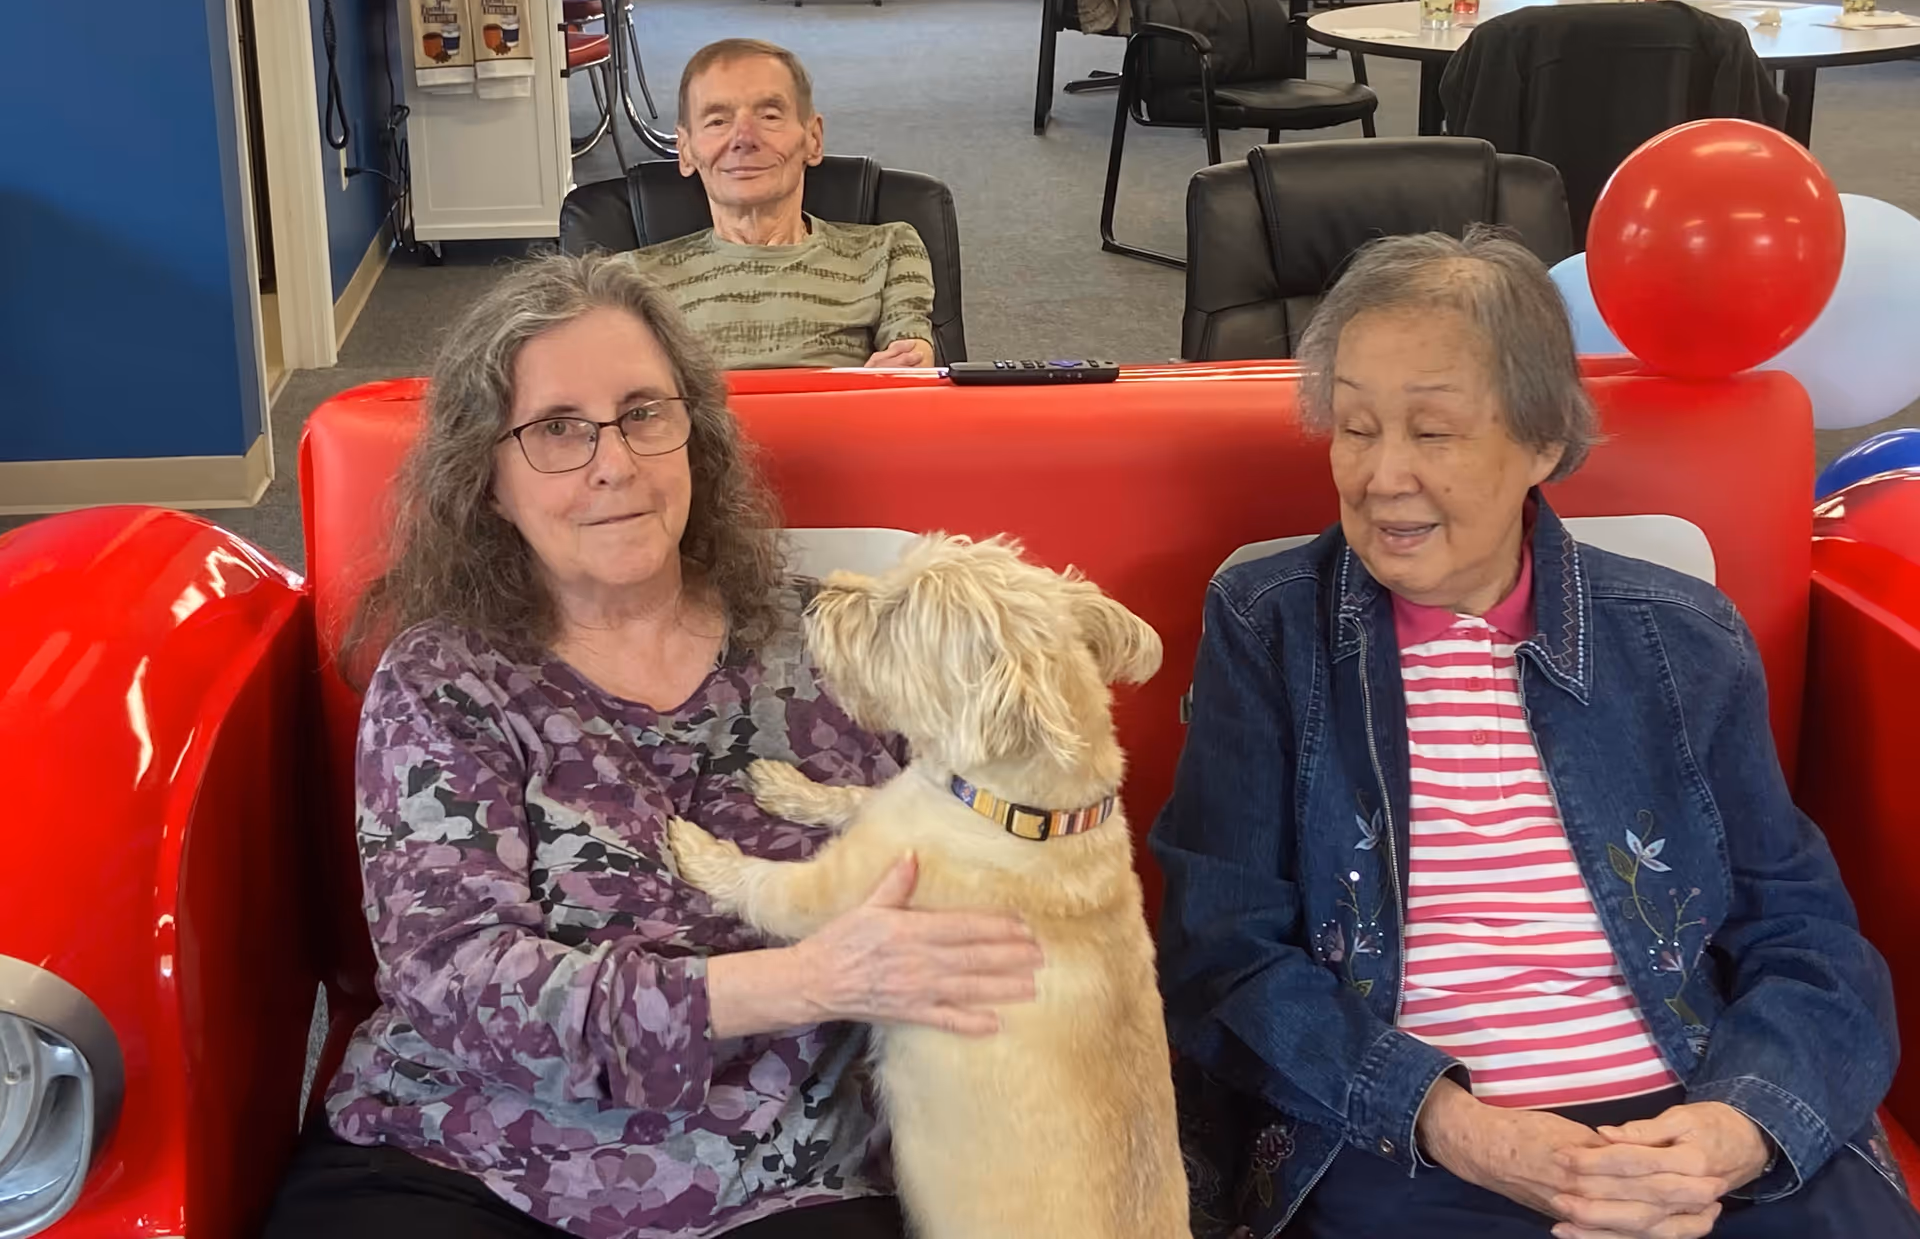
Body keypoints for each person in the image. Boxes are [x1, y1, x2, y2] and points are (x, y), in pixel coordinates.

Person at [1152, 231, 1916, 1239]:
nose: (1380, 477)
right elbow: (1221, 952)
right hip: (1409, 1136)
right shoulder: (1270, 626)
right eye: (1355, 428)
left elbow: (1805, 934)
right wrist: (1459, 1127)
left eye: (1433, 434)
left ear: (1544, 442)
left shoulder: (1681, 635)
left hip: (1690, 1120)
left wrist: (1735, 1129)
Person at [263, 252, 1042, 1239]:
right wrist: (798, 982)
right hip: (463, 1146)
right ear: (488, 479)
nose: (614, 461)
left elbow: (988, 859)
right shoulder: (445, 677)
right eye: (556, 430)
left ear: (693, 439)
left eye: (643, 413)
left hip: (778, 1168)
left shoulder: (840, 642)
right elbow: (456, 976)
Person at [628, 38, 936, 370]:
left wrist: (901, 373)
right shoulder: (630, 278)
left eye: (769, 116)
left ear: (813, 139)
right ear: (686, 150)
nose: (744, 138)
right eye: (717, 121)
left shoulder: (887, 251)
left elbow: (912, 369)